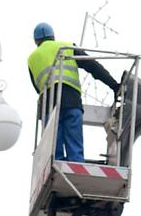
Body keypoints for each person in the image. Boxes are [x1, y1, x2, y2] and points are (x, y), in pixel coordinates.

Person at [27, 23, 119, 163]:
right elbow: (93, 66)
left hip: (48, 105)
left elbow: (36, 87)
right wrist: (114, 85)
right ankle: (76, 163)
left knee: (54, 153)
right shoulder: (67, 47)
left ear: (36, 41)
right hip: (71, 101)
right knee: (75, 149)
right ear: (53, 36)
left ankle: (55, 163)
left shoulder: (32, 59)